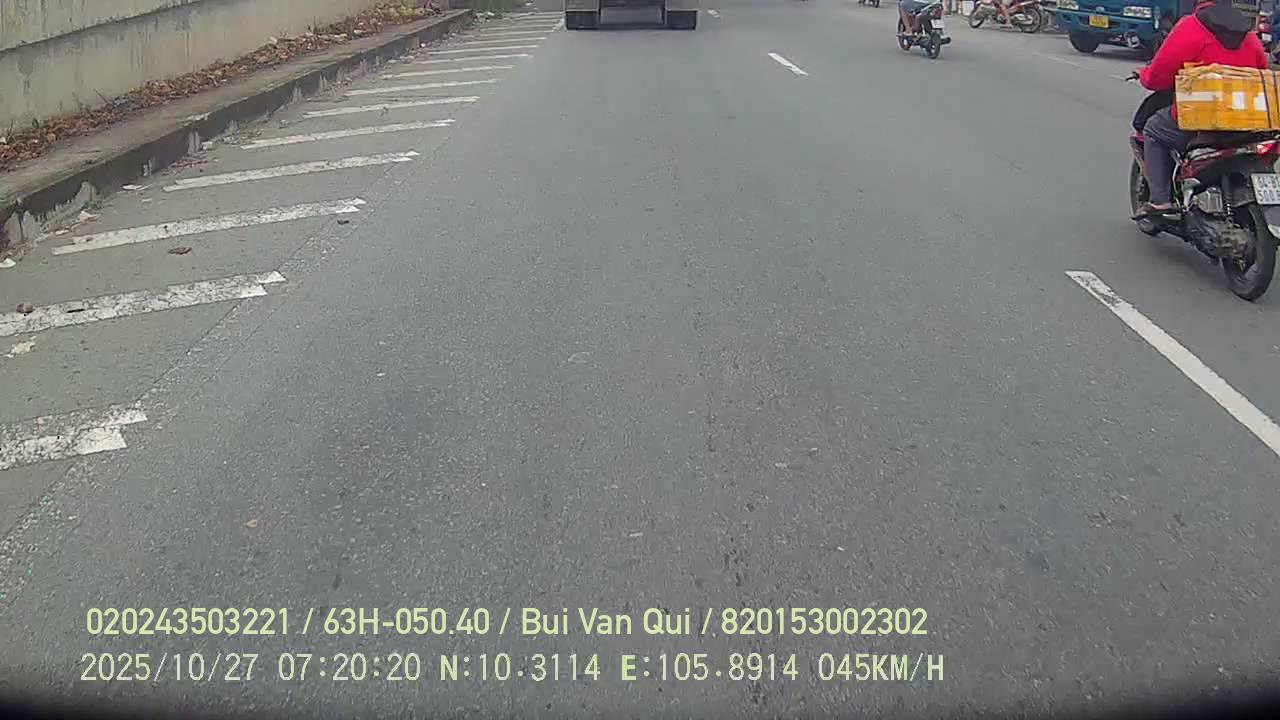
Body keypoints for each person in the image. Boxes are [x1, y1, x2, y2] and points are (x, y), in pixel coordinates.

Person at [1133, 0, 1268, 218]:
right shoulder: (1248, 33)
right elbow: (1261, 69)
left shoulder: (1191, 26)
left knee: (1153, 130)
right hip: (1247, 122)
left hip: (1201, 122)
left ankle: (1160, 201)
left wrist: (1144, 75)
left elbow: (1158, 77)